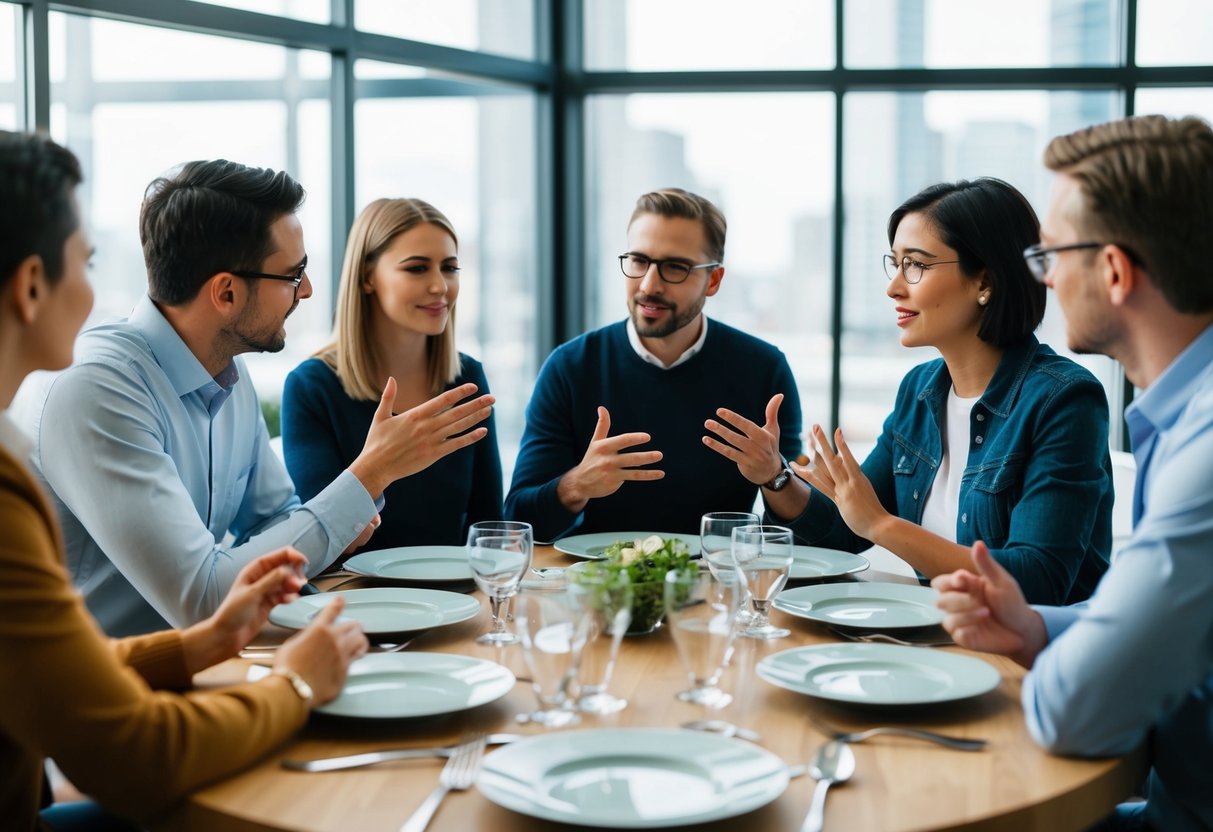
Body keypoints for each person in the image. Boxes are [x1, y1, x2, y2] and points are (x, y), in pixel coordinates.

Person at [0, 129, 367, 832]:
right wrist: (294, 683)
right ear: (31, 285)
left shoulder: (228, 378)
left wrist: (204, 642)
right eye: (88, 260)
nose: (97, 294)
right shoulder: (75, 405)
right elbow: (139, 756)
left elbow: (267, 525)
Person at [16, 159, 495, 637]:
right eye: (293, 274)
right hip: (106, 693)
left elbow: (274, 517)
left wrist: (335, 525)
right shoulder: (97, 389)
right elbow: (203, 599)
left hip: (204, 669)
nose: (306, 290)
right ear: (225, 292)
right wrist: (370, 474)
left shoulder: (227, 371)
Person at [933, 115, 1213, 831]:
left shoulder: (1205, 446)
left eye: (1050, 253)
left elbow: (1074, 713)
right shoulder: (1176, 410)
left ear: (1115, 271)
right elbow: (1165, 613)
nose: (1044, 276)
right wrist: (1035, 630)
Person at [733, 178, 1111, 605]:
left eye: (915, 265)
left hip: (1028, 659)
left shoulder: (1064, 399)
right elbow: (843, 531)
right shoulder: (920, 389)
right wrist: (776, 476)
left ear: (984, 280)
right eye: (893, 264)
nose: (894, 287)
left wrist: (882, 526)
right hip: (939, 638)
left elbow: (1038, 580)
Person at [504, 187, 802, 541]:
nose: (649, 284)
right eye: (639, 261)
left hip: (719, 585)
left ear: (714, 280)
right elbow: (517, 522)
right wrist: (576, 485)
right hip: (597, 586)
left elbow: (800, 535)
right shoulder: (570, 367)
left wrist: (774, 476)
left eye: (674, 267)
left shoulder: (763, 369)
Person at [282, 198, 503, 548]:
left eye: (450, 268)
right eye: (417, 268)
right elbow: (319, 541)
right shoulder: (312, 387)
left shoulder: (467, 377)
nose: (440, 286)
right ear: (368, 277)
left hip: (456, 596)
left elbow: (490, 526)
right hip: (354, 598)